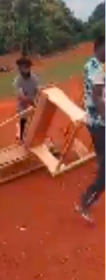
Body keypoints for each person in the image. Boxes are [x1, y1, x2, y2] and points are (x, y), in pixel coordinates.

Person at [76, 35, 105, 223]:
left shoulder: (99, 64)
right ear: (99, 47)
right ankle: (85, 202)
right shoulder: (95, 66)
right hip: (100, 124)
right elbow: (96, 97)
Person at [14, 57, 39, 140]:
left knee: (36, 118)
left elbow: (37, 91)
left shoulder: (34, 78)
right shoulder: (18, 80)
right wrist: (31, 101)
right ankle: (21, 136)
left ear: (28, 67)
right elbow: (21, 96)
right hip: (22, 103)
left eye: (25, 67)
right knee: (23, 118)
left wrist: (35, 101)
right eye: (20, 67)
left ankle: (34, 135)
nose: (21, 69)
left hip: (33, 99)